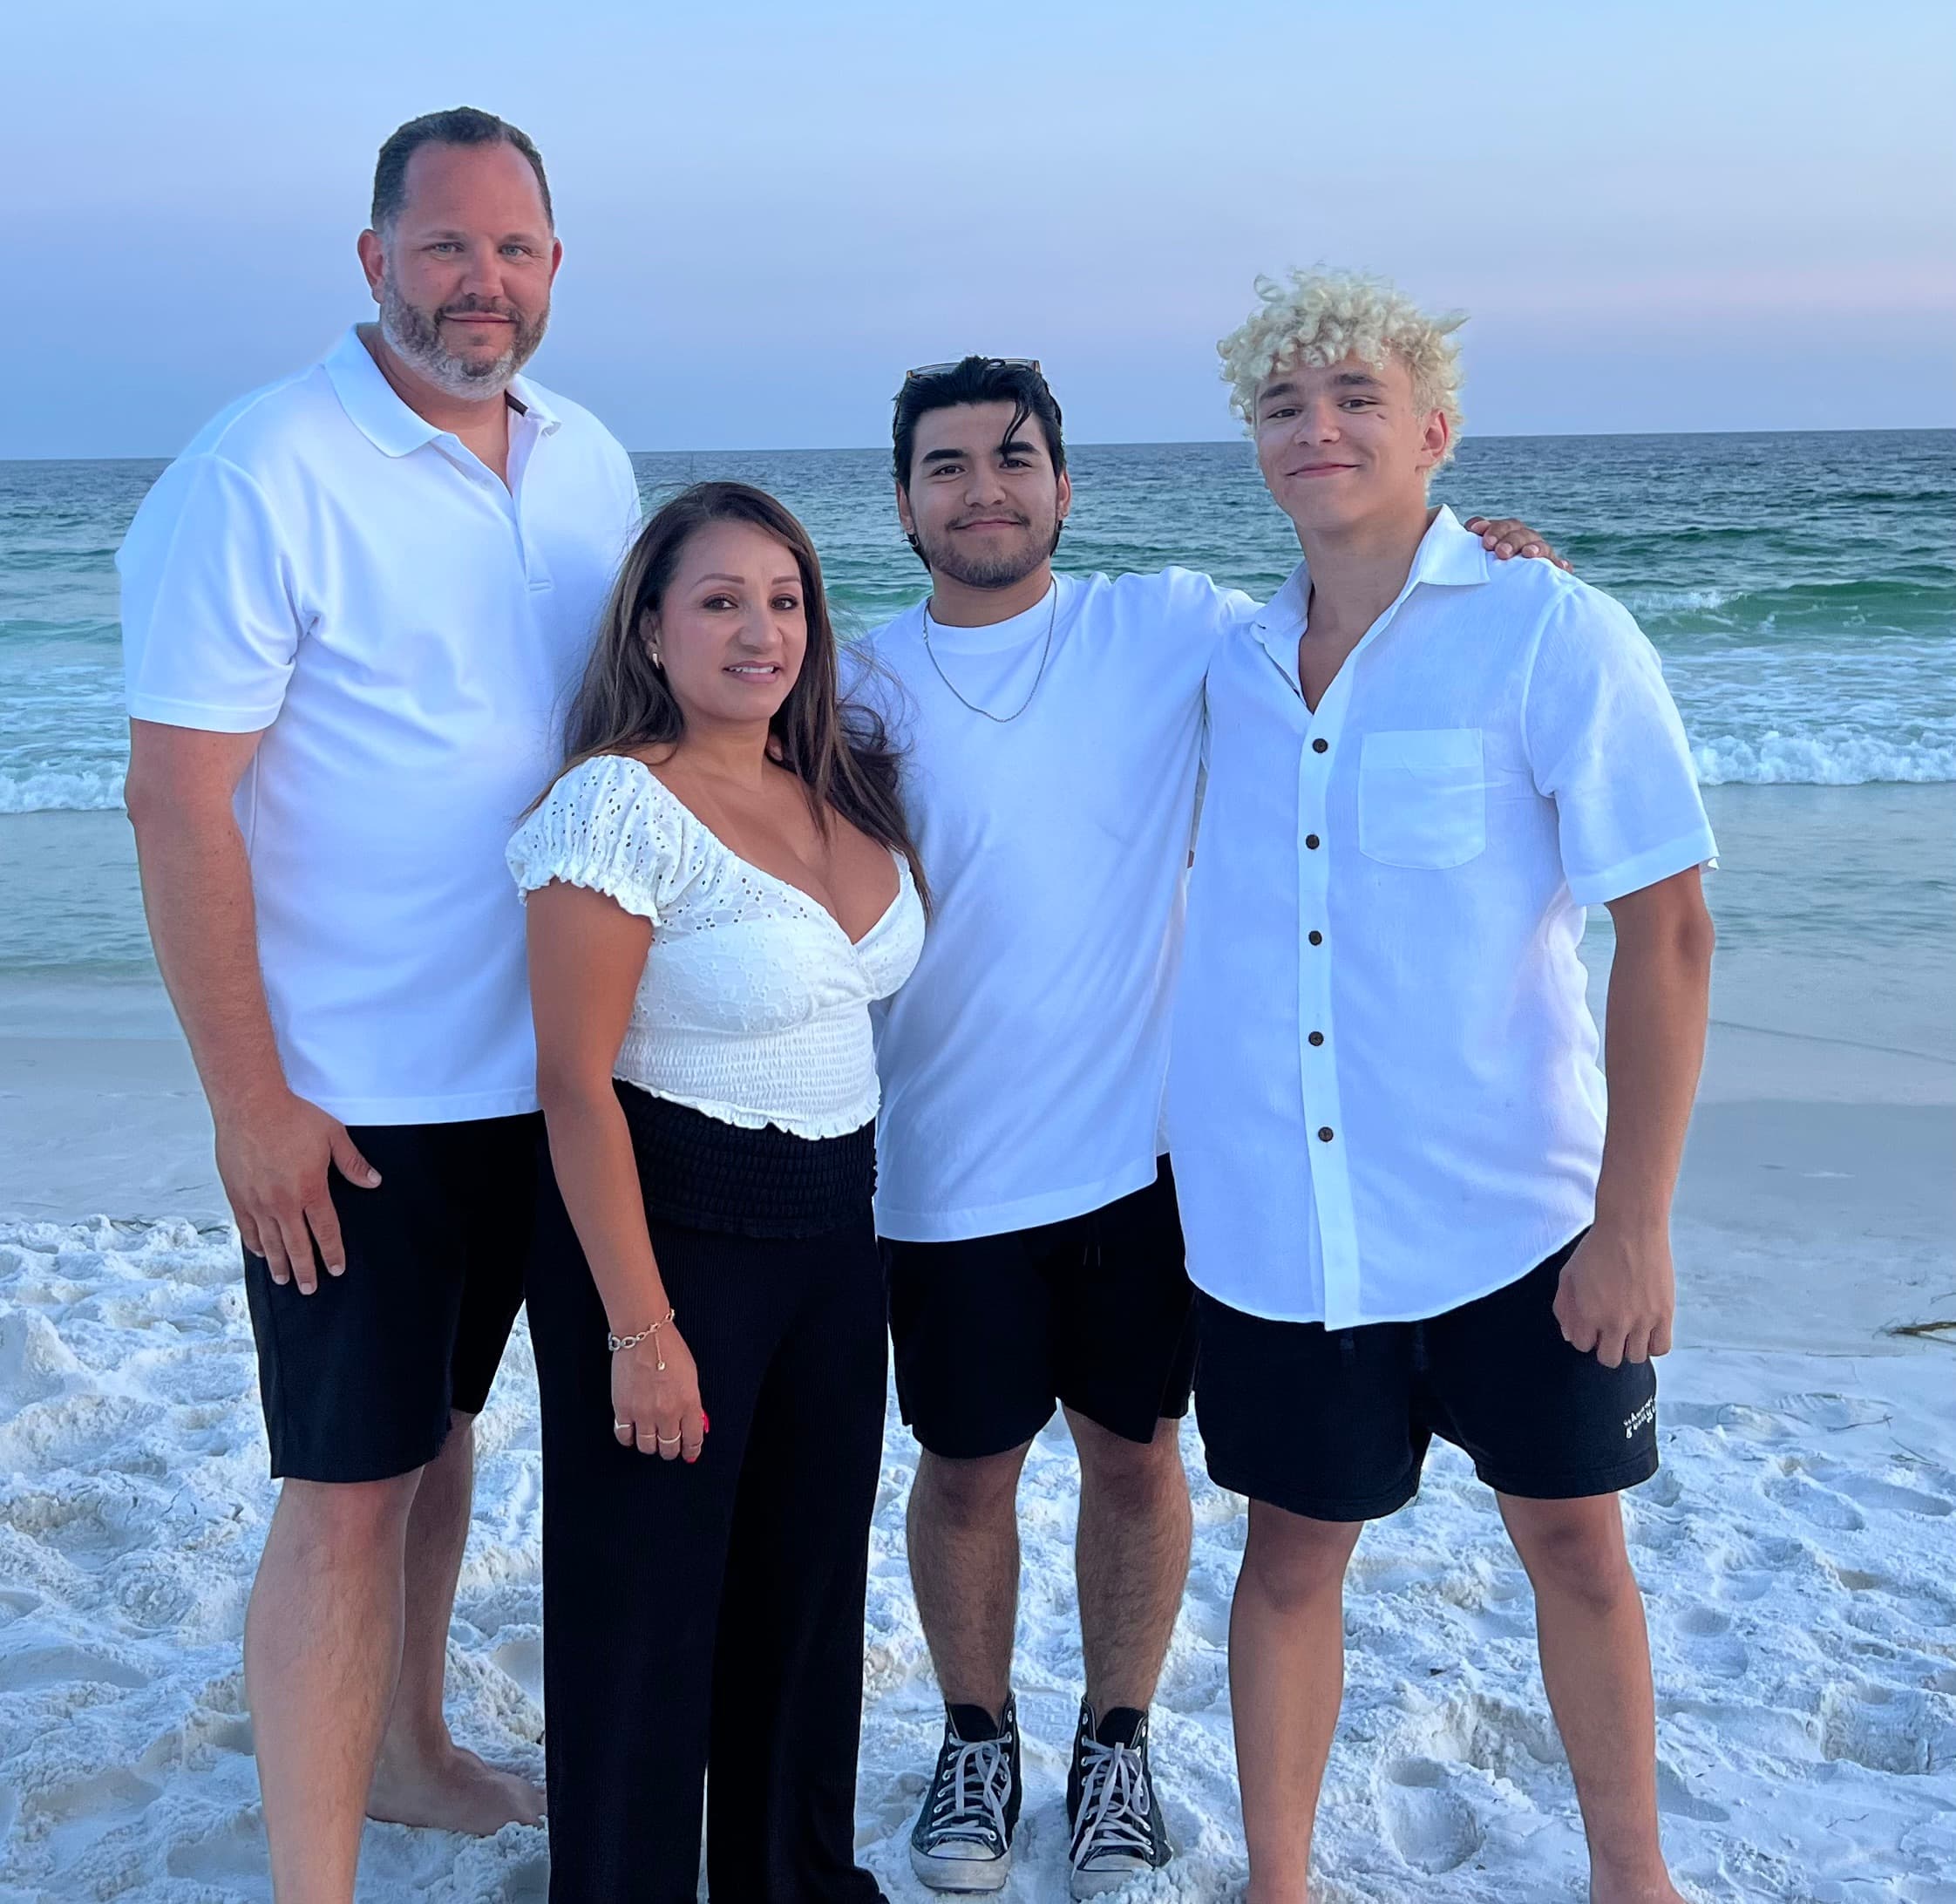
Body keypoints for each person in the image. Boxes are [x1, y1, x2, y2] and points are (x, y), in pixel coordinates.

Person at [855, 357, 1563, 1897]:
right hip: (941, 1160)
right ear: (902, 499)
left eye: (1016, 457)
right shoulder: (849, 681)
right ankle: (979, 1741)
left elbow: (1359, 612)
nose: (986, 486)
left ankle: (1116, 1748)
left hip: (1146, 1157)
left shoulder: (1168, 623)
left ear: (1063, 483)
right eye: (949, 463)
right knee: (965, 1469)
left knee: (1137, 1456)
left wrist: (1482, 559)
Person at [117, 108, 640, 1902]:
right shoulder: (261, 470)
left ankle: (413, 1747)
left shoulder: (587, 461)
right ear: (375, 261)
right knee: (342, 1489)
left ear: (555, 268)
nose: (479, 282)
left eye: (513, 249)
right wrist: (250, 1101)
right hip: (349, 1097)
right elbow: (178, 799)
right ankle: (313, 1879)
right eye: (443, 246)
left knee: (447, 1436)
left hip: (558, 1081)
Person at [1170, 270, 1717, 1904]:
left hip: (1516, 1211)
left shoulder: (1554, 629)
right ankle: (1282, 1882)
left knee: (1575, 1549)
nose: (1317, 428)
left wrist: (1638, 1225)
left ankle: (1636, 1877)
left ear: (1434, 429)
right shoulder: (1225, 660)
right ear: (1257, 447)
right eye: (1283, 405)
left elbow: (1670, 928)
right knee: (1285, 1563)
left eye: (1353, 397)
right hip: (1283, 1222)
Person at [510, 481, 926, 1903]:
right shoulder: (619, 804)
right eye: (720, 599)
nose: (762, 629)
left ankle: (789, 1881)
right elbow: (573, 1083)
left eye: (786, 598)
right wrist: (641, 1327)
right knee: (646, 1616)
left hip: (834, 1242)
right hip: (672, 1238)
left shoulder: (842, 783)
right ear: (650, 624)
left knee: (806, 1600)